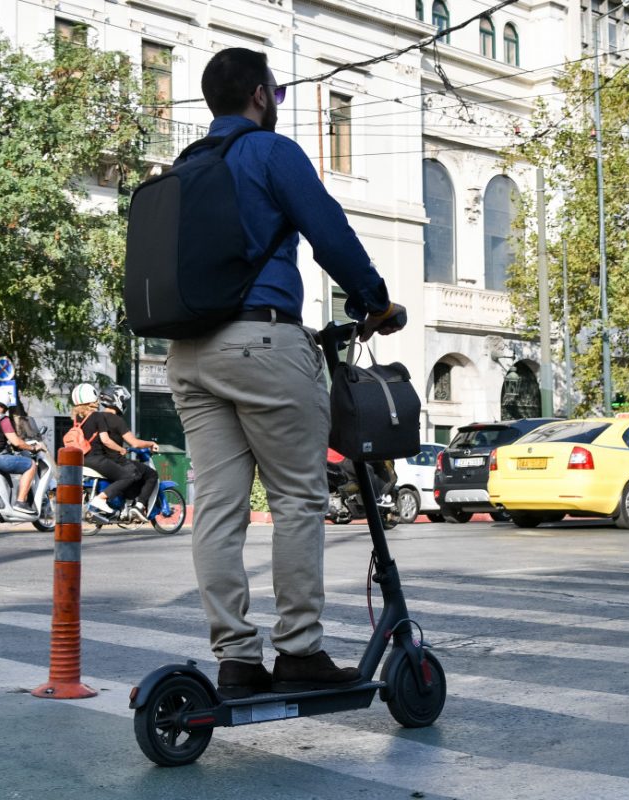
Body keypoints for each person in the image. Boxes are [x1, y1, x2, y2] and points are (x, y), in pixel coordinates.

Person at [166, 48, 408, 699]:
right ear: (259, 96)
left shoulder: (185, 166)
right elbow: (329, 233)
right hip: (263, 341)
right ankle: (299, 649)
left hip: (188, 356)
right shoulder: (272, 153)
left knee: (216, 511)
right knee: (297, 497)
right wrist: (374, 301)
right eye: (275, 90)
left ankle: (236, 659)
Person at [82, 385, 160, 522]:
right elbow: (134, 443)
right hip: (116, 460)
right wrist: (151, 444)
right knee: (151, 474)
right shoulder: (117, 420)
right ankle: (139, 506)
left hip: (99, 460)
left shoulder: (95, 417)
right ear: (117, 400)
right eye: (123, 400)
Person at [0, 388, 45, 515]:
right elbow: (16, 442)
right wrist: (33, 448)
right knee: (30, 465)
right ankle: (21, 502)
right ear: (5, 403)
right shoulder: (2, 419)